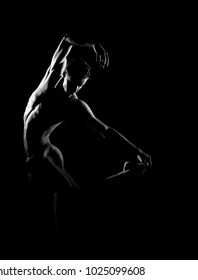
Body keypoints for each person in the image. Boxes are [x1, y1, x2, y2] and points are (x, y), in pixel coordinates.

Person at [23, 33, 152, 240]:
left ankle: (127, 173)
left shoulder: (76, 106)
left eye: (80, 85)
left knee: (77, 198)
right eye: (72, 82)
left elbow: (106, 130)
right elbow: (66, 39)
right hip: (41, 152)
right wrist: (94, 44)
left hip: (41, 156)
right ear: (64, 74)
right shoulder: (50, 80)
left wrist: (136, 150)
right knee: (48, 217)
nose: (74, 89)